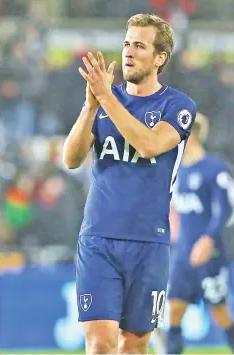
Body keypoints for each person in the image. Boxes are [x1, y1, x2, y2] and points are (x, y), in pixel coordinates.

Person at [63, 14, 197, 354]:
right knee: (100, 344)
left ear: (160, 57)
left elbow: (149, 145)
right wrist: (90, 107)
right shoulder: (104, 100)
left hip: (149, 243)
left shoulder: (178, 105)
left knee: (133, 347)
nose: (129, 52)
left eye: (139, 45)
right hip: (98, 239)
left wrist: (106, 98)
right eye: (126, 44)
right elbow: (71, 159)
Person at [165, 113, 234, 354]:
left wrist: (207, 239)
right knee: (173, 311)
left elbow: (224, 208)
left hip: (210, 254)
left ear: (192, 135)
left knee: (220, 311)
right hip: (183, 253)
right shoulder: (177, 170)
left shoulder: (214, 167)